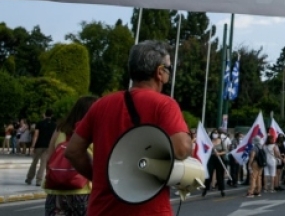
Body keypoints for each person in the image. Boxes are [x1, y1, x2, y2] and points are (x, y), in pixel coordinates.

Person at [65, 40, 191, 216]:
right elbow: (181, 149)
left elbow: (72, 151)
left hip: (101, 209)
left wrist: (108, 178)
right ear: (159, 72)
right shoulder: (164, 105)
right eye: (169, 68)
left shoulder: (101, 104)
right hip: (148, 211)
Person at [43, 96, 98, 216]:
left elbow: (49, 158)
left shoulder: (60, 129)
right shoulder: (94, 130)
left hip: (56, 192)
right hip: (84, 191)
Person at [26, 109, 57, 186]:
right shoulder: (54, 125)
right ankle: (39, 180)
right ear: (52, 115)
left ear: (45, 114)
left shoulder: (39, 123)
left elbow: (36, 135)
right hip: (48, 146)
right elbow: (55, 137)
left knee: (34, 162)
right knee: (43, 163)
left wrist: (33, 146)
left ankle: (29, 178)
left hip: (39, 145)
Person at [202, 130, 226, 197]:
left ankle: (222, 190)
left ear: (218, 134)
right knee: (209, 174)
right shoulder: (209, 141)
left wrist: (219, 153)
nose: (215, 134)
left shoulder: (221, 141)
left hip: (219, 159)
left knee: (220, 175)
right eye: (214, 133)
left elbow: (225, 151)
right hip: (211, 159)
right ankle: (205, 189)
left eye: (216, 133)